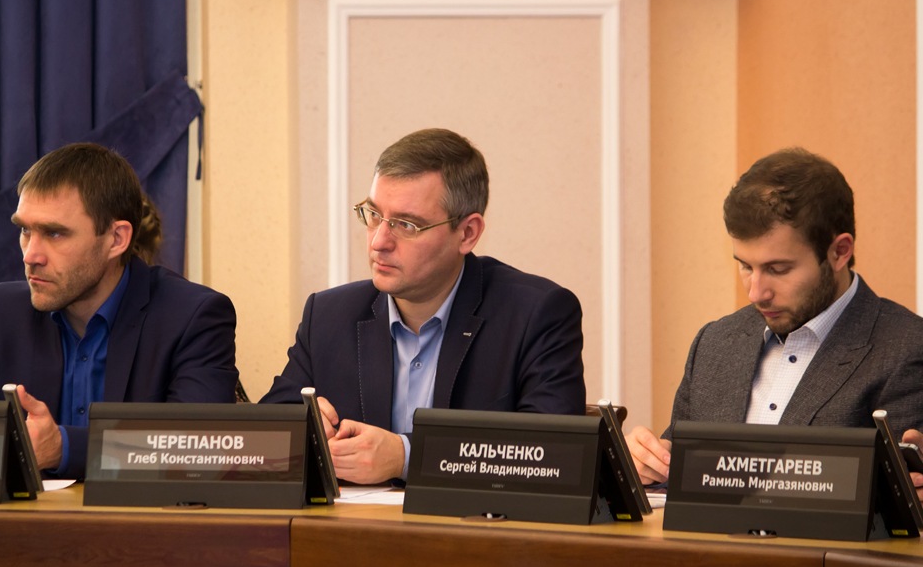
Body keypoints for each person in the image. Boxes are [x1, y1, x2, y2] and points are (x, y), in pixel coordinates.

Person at [259, 128, 586, 484]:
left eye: (406, 224)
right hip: (353, 521)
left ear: (467, 233)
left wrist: (407, 456)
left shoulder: (536, 314)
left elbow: (552, 456)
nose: (379, 241)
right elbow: (261, 439)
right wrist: (301, 428)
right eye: (373, 214)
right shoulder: (328, 315)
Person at [0, 142, 239, 480]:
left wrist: (64, 447)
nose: (30, 255)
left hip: (137, 514)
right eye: (25, 230)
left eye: (54, 233)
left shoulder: (193, 316)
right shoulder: (2, 311)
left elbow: (195, 451)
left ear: (116, 239)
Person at [626, 147, 923, 498]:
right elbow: (680, 481)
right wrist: (647, 465)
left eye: (777, 269)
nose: (756, 293)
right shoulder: (715, 343)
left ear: (840, 251)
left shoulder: (906, 350)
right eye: (745, 266)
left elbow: (901, 504)